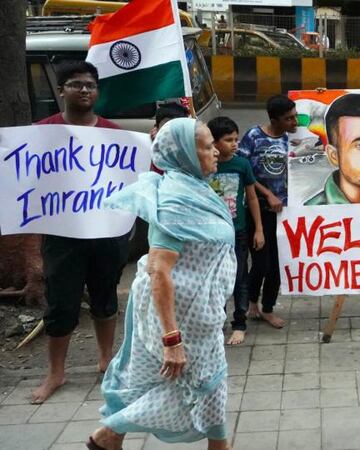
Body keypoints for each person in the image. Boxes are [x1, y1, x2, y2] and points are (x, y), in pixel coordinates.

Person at [88, 118, 235, 450]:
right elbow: (159, 271)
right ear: (184, 152)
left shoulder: (195, 189)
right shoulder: (173, 200)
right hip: (177, 318)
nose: (215, 151)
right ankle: (108, 436)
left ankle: (108, 438)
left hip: (201, 315)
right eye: (207, 145)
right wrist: (172, 339)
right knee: (206, 386)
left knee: (192, 385)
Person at [31, 61, 129, 404]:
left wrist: (152, 147)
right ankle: (56, 374)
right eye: (76, 84)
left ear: (97, 91)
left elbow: (139, 175)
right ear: (61, 91)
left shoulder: (115, 135)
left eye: (90, 85)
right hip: (61, 237)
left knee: (105, 299)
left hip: (106, 235)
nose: (84, 90)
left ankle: (106, 362)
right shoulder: (42, 132)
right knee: (61, 306)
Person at [237, 95, 295, 329]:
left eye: (294, 117)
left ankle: (268, 308)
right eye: (288, 119)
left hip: (284, 212)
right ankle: (252, 302)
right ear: (274, 119)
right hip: (257, 209)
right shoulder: (253, 136)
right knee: (260, 262)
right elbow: (243, 170)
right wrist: (267, 194)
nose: (294, 122)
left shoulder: (295, 138)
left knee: (277, 264)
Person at [207, 116, 265, 346]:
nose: (234, 144)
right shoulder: (204, 165)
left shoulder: (242, 165)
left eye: (236, 139)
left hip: (238, 231)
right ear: (213, 142)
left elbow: (251, 197)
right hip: (212, 234)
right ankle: (216, 321)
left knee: (239, 277)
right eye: (228, 140)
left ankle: (239, 323)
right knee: (214, 279)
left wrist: (258, 229)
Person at [150, 102, 191, 174]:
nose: (170, 133)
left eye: (176, 129)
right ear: (156, 129)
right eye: (165, 128)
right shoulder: (150, 146)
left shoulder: (190, 150)